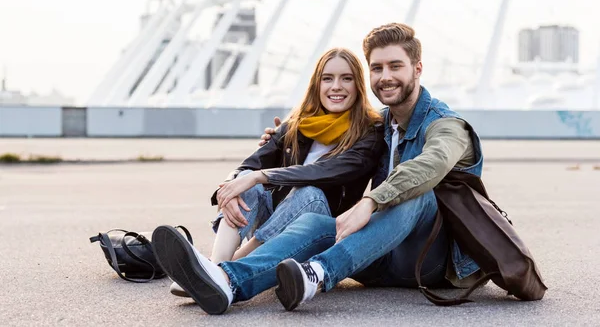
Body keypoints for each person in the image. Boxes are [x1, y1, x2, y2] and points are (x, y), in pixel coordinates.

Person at [152, 23, 484, 315]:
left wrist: (370, 202)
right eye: (377, 68)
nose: (385, 77)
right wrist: (266, 154)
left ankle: (316, 274)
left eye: (395, 66)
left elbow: (429, 166)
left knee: (417, 194)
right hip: (372, 255)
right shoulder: (380, 123)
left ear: (418, 68)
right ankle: (225, 280)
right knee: (316, 223)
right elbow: (274, 156)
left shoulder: (447, 125)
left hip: (425, 262)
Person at [167, 47, 385, 299]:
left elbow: (327, 171)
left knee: (310, 193)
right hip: (274, 221)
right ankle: (216, 267)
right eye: (328, 78)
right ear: (317, 84)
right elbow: (250, 164)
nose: (336, 86)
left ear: (358, 85)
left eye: (346, 78)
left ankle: (218, 272)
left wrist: (262, 176)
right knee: (243, 183)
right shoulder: (296, 125)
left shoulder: (370, 131)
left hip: (316, 232)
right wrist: (230, 186)